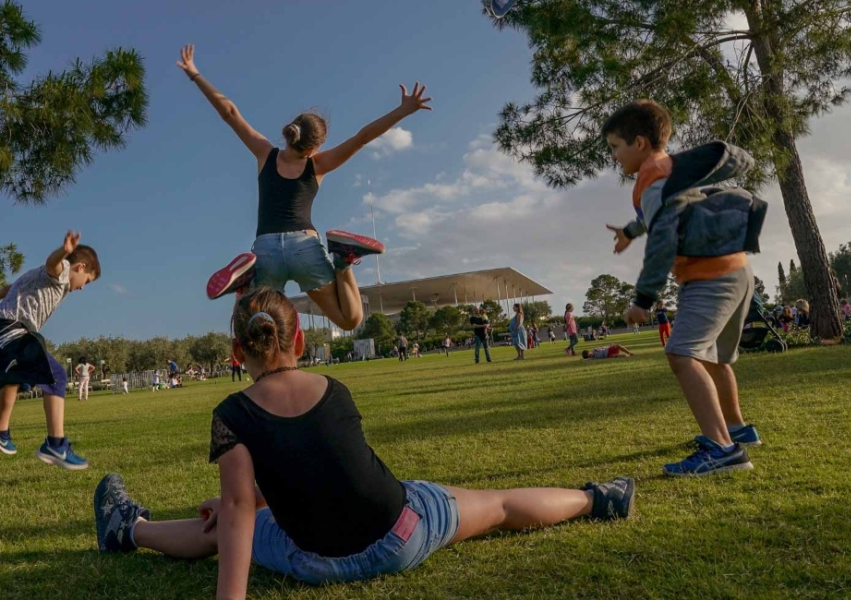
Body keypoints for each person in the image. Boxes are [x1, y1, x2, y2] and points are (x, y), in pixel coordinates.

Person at [90, 287, 636, 596]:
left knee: (222, 527)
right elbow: (328, 467)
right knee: (495, 504)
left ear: (237, 355)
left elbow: (236, 509)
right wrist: (250, 504)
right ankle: (597, 499)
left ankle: (129, 528)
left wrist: (246, 515)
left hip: (312, 558)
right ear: (299, 339)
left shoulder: (232, 412)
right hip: (399, 537)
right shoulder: (335, 388)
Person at [178, 44, 431, 331]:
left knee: (252, 326)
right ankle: (344, 259)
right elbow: (362, 137)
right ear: (313, 148)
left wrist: (195, 74)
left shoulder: (265, 154)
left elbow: (230, 113)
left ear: (290, 132)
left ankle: (244, 287)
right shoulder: (317, 165)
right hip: (304, 248)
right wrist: (403, 110)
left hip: (266, 252)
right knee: (350, 319)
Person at [603, 100, 761, 476]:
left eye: (615, 147)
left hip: (708, 278)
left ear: (638, 142)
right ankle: (737, 429)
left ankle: (724, 450)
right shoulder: (671, 171)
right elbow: (663, 213)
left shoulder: (652, 178)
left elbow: (663, 237)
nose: (614, 156)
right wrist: (629, 231)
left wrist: (643, 299)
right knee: (713, 358)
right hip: (738, 271)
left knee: (681, 354)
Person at [0, 230, 97, 470]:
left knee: (15, 376)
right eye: (87, 280)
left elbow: (10, 287)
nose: (83, 288)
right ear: (80, 267)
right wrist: (64, 251)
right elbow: (52, 264)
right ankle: (56, 444)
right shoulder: (62, 273)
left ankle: (0, 433)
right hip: (9, 328)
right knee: (57, 376)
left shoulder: (35, 277)